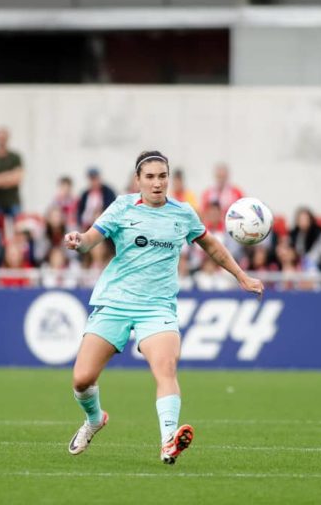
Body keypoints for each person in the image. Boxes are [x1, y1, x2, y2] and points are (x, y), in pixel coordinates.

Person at [63, 150, 263, 464]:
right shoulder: (122, 207)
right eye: (150, 177)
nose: (157, 183)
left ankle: (168, 441)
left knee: (166, 370)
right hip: (115, 302)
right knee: (81, 379)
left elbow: (210, 244)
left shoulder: (183, 213)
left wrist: (241, 276)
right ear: (138, 180)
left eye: (162, 176)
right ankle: (94, 419)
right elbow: (91, 239)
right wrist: (79, 240)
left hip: (157, 308)